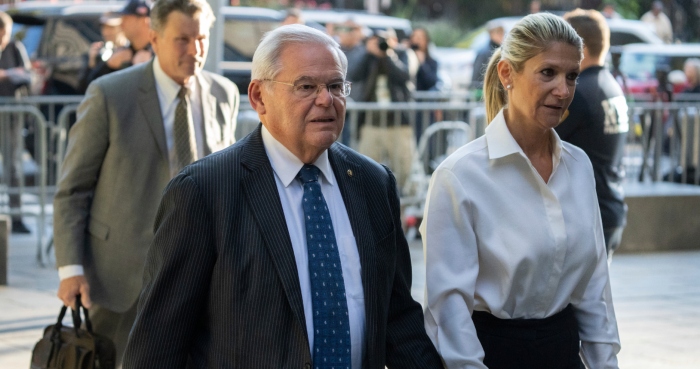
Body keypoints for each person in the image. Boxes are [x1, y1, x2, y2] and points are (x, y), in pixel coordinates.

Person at [122, 24, 442, 369]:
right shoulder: (204, 192)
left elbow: (397, 319)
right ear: (259, 97)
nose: (326, 100)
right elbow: (158, 344)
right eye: (306, 86)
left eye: (336, 86)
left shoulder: (372, 183)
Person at [421, 13, 620, 369]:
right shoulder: (460, 176)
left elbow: (594, 289)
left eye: (572, 75)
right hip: (494, 356)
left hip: (562, 353)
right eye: (548, 73)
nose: (563, 90)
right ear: (507, 74)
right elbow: (448, 310)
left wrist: (605, 363)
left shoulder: (579, 166)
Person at [53, 0, 239, 365]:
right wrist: (70, 269)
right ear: (153, 38)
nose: (195, 50)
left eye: (201, 38)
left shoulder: (223, 94)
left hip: (199, 272)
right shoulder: (110, 94)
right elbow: (73, 188)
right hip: (119, 276)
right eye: (182, 39)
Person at [556, 9, 629, 261]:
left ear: (580, 47)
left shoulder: (580, 92)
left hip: (589, 215)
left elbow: (540, 138)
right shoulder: (609, 85)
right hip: (609, 209)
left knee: (580, 300)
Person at [353, 27, 419, 189]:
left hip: (399, 123)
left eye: (385, 40)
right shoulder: (369, 57)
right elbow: (354, 75)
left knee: (405, 171)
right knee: (366, 171)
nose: (381, 44)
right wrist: (369, 53)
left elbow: (404, 75)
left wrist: (388, 54)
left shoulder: (403, 54)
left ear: (394, 40)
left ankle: (405, 209)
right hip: (371, 123)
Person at [0, 11, 32, 234]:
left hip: (11, 115)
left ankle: (16, 216)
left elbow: (27, 75)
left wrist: (6, 74)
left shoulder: (14, 48)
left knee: (13, 166)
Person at [81, 0, 154, 90]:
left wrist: (148, 68)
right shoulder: (122, 54)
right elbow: (91, 87)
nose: (122, 23)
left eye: (127, 18)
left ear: (144, 21)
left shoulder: (158, 51)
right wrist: (109, 66)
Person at [78, 14, 128, 93]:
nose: (106, 32)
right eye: (104, 27)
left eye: (111, 27)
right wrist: (91, 63)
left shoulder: (130, 51)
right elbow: (84, 88)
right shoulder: (98, 52)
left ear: (122, 27)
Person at [471, 20, 503, 91]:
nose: (501, 35)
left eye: (502, 32)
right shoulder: (484, 52)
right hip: (484, 89)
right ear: (491, 34)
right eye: (498, 32)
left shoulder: (501, 49)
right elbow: (476, 76)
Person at [410, 27, 439, 92]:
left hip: (421, 99)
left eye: (419, 38)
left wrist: (422, 64)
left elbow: (431, 82)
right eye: (413, 37)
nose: (415, 41)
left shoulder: (432, 62)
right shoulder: (405, 57)